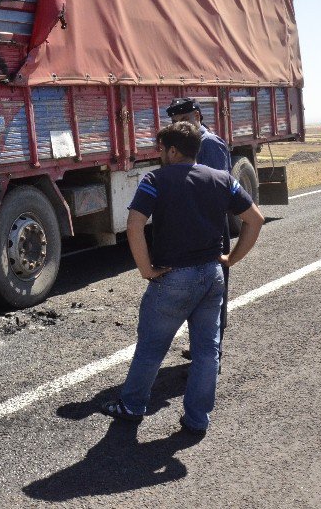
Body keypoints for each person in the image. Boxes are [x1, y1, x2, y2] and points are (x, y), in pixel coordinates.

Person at [100, 122, 264, 435]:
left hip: (173, 279)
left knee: (151, 347)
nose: (159, 155)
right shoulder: (222, 179)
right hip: (211, 274)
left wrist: (146, 269)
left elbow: (134, 226)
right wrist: (232, 258)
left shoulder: (155, 180)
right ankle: (197, 419)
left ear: (173, 150)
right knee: (206, 351)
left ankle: (132, 406)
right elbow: (254, 220)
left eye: (161, 149)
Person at [166, 97, 231, 365]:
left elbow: (219, 188)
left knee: (214, 292)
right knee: (196, 290)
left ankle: (212, 352)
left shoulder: (210, 144)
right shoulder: (181, 146)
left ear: (197, 116)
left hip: (211, 226)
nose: (179, 126)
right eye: (174, 122)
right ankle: (200, 347)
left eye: (182, 120)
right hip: (192, 227)